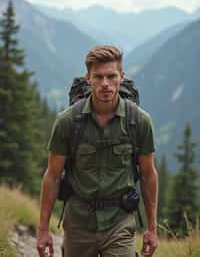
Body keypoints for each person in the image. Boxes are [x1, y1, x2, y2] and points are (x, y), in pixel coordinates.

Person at [36, 45, 158, 257]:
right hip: (78, 223)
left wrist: (152, 228)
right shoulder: (67, 122)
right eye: (98, 77)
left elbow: (148, 174)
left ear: (121, 77)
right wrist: (43, 230)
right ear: (88, 78)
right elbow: (53, 175)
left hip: (120, 221)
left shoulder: (139, 122)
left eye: (111, 76)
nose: (105, 84)